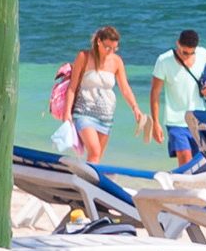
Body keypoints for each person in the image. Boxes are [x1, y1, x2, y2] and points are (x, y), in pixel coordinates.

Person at [47, 24, 141, 162]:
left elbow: (125, 88)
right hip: (84, 112)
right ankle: (85, 180)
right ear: (98, 42)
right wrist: (67, 112)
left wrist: (135, 107)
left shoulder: (117, 61)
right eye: (107, 47)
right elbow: (72, 87)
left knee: (96, 158)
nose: (111, 51)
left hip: (106, 116)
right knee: (95, 150)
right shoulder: (83, 57)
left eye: (114, 48)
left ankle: (87, 181)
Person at [149, 29, 206, 164]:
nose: (187, 56)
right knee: (185, 160)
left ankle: (192, 185)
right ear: (178, 44)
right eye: (184, 52)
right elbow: (155, 93)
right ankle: (182, 185)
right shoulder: (163, 60)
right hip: (175, 121)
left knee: (199, 164)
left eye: (191, 53)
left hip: (198, 120)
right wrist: (155, 123)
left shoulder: (204, 54)